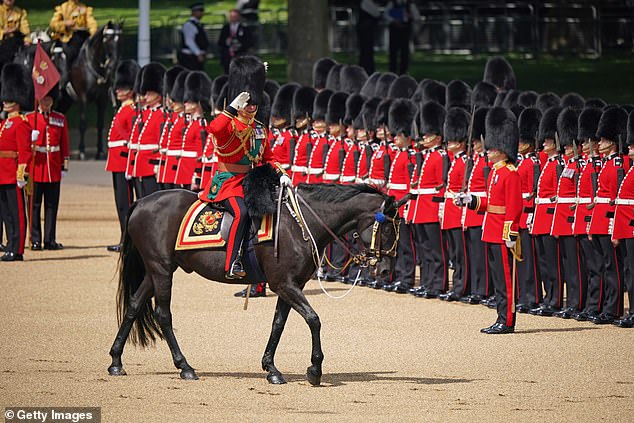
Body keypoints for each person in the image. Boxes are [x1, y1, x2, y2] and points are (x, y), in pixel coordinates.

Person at [199, 55, 286, 280]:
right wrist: (230, 108)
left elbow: (269, 156)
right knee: (242, 212)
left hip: (251, 182)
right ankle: (232, 263)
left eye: (254, 103)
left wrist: (281, 172)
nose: (252, 107)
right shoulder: (229, 124)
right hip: (228, 182)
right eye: (248, 103)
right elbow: (214, 129)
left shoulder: (259, 128)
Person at [456, 107, 522, 334]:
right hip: (491, 230)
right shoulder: (495, 172)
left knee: (506, 279)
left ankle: (508, 320)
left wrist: (510, 234)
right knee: (498, 280)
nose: (489, 151)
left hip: (502, 233)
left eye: (493, 148)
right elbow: (491, 204)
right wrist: (470, 200)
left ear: (503, 149)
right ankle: (500, 317)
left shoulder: (510, 173)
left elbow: (514, 207)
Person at [26, 86, 69, 251]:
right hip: (37, 168)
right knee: (34, 206)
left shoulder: (60, 118)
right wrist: (32, 141)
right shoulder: (30, 118)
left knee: (52, 206)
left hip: (53, 168)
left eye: (49, 99)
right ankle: (36, 240)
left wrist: (64, 166)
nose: (46, 102)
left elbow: (64, 144)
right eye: (44, 99)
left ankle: (50, 239)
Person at [105, 60, 139, 252]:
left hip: (124, 162)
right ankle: (124, 238)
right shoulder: (123, 109)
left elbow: (132, 138)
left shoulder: (132, 110)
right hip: (116, 162)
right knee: (120, 204)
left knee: (126, 204)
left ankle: (128, 241)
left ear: (130, 89)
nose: (117, 91)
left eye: (122, 87)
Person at [0, 63, 31, 262]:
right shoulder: (3, 123)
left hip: (13, 174)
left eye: (9, 98)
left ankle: (17, 248)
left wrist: (22, 173)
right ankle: (10, 245)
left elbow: (24, 151)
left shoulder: (21, 123)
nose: (5, 102)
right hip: (2, 173)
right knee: (6, 214)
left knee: (17, 212)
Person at [127, 62, 166, 199]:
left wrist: (157, 166)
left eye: (150, 93)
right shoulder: (147, 114)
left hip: (151, 167)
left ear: (159, 94)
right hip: (141, 167)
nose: (146, 96)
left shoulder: (162, 115)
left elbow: (162, 145)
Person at [49, 0, 97, 65]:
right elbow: (53, 24)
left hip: (83, 37)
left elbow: (91, 23)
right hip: (69, 39)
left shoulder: (84, 8)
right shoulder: (63, 7)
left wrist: (93, 34)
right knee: (71, 53)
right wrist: (65, 23)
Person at [383, 0, 419, 75]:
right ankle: (392, 72)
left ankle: (404, 72)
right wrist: (394, 21)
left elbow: (417, 17)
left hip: (405, 31)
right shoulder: (392, 3)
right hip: (394, 31)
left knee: (405, 52)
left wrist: (411, 16)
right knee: (393, 52)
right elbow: (385, 14)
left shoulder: (410, 4)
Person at [217, 9, 253, 75]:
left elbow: (249, 42)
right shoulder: (225, 28)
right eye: (231, 16)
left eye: (234, 16)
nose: (232, 18)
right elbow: (220, 42)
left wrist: (239, 44)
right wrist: (227, 41)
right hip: (228, 56)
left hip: (240, 55)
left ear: (239, 17)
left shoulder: (244, 28)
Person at [178, 3, 209, 71]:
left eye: (202, 11)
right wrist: (198, 53)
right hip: (190, 57)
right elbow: (189, 41)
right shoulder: (189, 25)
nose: (202, 13)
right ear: (194, 12)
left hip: (195, 56)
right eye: (200, 10)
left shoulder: (198, 24)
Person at [357, 0, 380, 75]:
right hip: (366, 31)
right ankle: (367, 71)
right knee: (366, 53)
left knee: (366, 52)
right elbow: (376, 13)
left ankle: (366, 70)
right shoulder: (366, 2)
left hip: (366, 31)